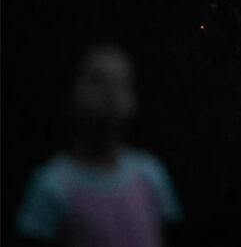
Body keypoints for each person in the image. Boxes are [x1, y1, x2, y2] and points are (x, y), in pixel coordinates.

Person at [16, 45, 181, 247]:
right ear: (71, 94)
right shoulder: (51, 186)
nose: (111, 93)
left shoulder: (150, 174)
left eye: (120, 83)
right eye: (97, 80)